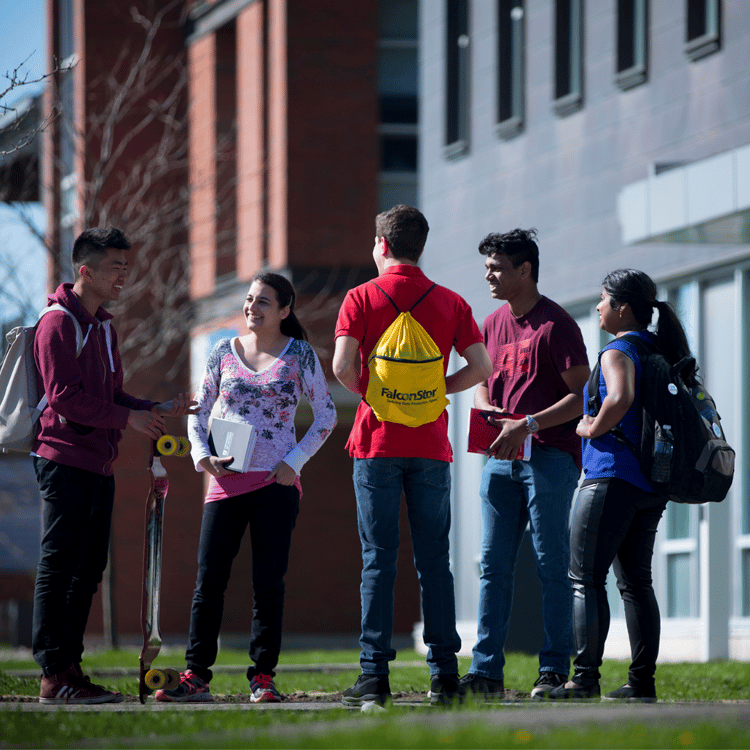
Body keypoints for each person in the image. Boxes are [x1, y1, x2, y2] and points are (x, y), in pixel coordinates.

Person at [333, 204, 492, 706]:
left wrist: (378, 393)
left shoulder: (360, 298)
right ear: (420, 247)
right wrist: (434, 391)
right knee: (434, 562)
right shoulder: (450, 302)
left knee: (378, 560)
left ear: (381, 245)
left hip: (377, 445)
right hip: (430, 446)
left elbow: (341, 367)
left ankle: (374, 676)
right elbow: (482, 366)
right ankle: (445, 674)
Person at [33, 227, 197, 704]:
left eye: (127, 266)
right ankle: (52, 676)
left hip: (98, 465)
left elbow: (111, 397)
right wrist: (130, 416)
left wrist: (156, 406)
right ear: (85, 270)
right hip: (62, 459)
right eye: (114, 267)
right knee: (59, 567)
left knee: (87, 571)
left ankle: (71, 670)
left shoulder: (103, 326)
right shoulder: (57, 323)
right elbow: (64, 398)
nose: (124, 275)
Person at [155, 271, 336, 704]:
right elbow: (198, 416)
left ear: (284, 311)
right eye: (250, 299)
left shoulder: (301, 357)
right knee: (209, 582)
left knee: (268, 583)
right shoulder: (222, 351)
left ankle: (263, 677)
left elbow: (327, 417)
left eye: (263, 302)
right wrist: (202, 459)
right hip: (226, 483)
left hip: (276, 484)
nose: (251, 307)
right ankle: (195, 675)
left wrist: (294, 463)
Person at [548, 269, 696, 702]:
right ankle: (641, 683)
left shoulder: (617, 350)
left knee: (584, 578)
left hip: (610, 477)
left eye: (603, 299)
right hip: (650, 485)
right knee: (636, 584)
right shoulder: (659, 349)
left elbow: (620, 397)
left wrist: (591, 427)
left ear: (622, 307)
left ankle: (583, 679)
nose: (598, 307)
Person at [461, 228, 590, 701]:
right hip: (500, 461)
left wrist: (528, 424)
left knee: (552, 566)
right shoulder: (491, 324)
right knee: (492, 566)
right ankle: (485, 672)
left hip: (550, 459)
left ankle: (554, 670)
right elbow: (481, 380)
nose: (489, 275)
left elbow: (583, 397)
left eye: (497, 268)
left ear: (525, 270)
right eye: (488, 267)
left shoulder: (556, 325)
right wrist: (488, 411)